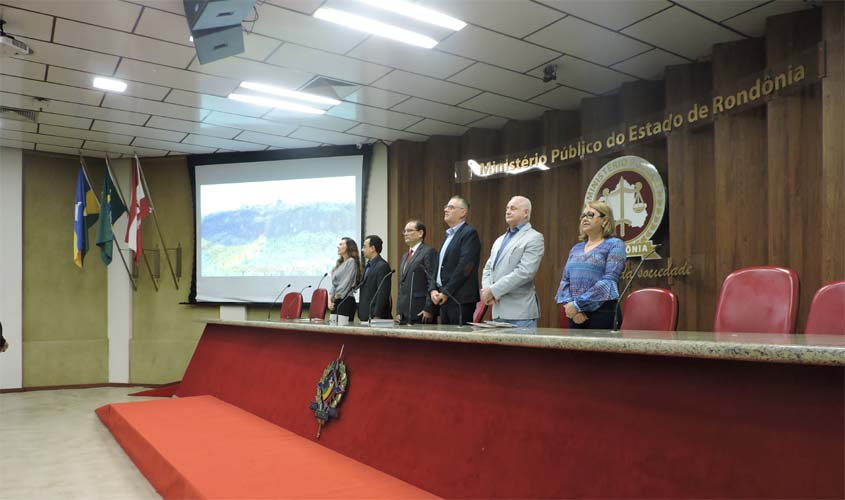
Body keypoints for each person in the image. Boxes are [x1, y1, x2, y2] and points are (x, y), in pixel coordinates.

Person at [555, 201, 627, 329]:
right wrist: (573, 308)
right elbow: (565, 282)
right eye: (583, 216)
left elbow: (609, 281)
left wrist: (579, 305)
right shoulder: (576, 248)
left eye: (590, 215)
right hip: (575, 316)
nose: (584, 219)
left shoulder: (615, 244)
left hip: (603, 314)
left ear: (605, 220)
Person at [481, 196, 545, 329]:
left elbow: (524, 273)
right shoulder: (499, 240)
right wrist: (487, 290)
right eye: (507, 208)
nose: (508, 211)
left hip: (520, 313)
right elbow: (488, 268)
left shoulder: (534, 237)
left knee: (522, 351)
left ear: (525, 213)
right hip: (498, 310)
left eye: (513, 208)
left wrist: (493, 290)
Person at [430, 196, 481, 325]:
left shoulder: (469, 233)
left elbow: (465, 267)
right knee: (447, 344)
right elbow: (438, 266)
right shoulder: (447, 235)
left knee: (460, 344)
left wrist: (446, 292)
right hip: (443, 298)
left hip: (460, 300)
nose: (446, 210)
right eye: (446, 207)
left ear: (463, 212)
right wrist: (433, 289)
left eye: (451, 207)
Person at [395, 220, 437, 325]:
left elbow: (432, 281)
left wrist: (429, 308)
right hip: (404, 313)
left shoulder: (428, 252)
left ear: (420, 233)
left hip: (421, 312)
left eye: (409, 230)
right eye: (404, 231)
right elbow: (402, 286)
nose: (405, 233)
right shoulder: (405, 256)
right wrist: (399, 311)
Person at [358, 235, 392, 321]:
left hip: (375, 316)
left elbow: (382, 293)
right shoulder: (368, 265)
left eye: (364, 247)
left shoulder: (383, 266)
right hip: (365, 313)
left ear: (372, 248)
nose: (362, 250)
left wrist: (377, 314)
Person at [328, 237, 362, 322]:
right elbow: (334, 284)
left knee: (342, 331)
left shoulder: (351, 262)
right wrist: (329, 300)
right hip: (337, 300)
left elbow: (345, 284)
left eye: (341, 244)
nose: (338, 246)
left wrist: (334, 297)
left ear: (348, 247)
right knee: (332, 329)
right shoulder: (340, 264)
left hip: (345, 300)